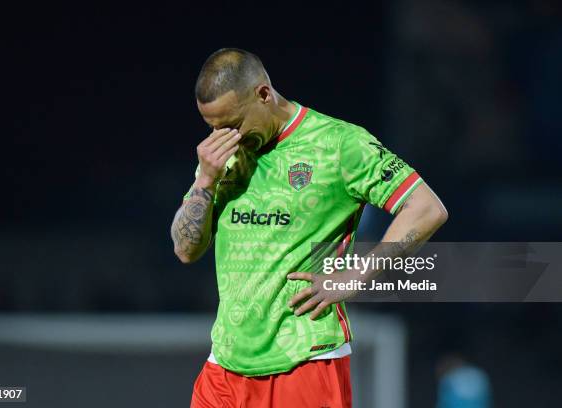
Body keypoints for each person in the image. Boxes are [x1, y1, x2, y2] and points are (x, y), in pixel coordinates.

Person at [171, 48, 448, 408]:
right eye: (213, 127)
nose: (225, 137)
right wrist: (205, 181)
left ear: (264, 94)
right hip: (224, 366)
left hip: (304, 362)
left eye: (234, 124)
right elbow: (184, 249)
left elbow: (426, 207)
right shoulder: (221, 159)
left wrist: (356, 275)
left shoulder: (340, 144)